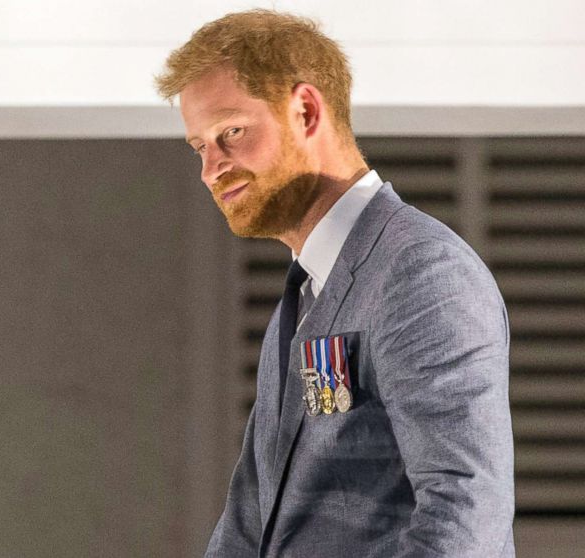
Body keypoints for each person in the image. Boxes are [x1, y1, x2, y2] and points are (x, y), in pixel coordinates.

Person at [156, 10, 514, 557]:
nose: (212, 168)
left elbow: (466, 511)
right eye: (200, 146)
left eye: (231, 132)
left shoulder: (421, 271)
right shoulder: (306, 290)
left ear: (305, 110)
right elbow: (251, 518)